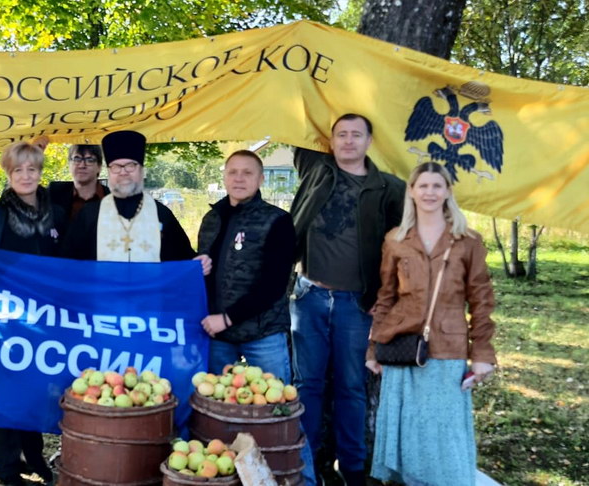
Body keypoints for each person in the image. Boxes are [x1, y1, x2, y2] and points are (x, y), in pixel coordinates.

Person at [289, 113, 405, 485]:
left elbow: (401, 249)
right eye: (342, 134)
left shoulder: (389, 188)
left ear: (370, 141)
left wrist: (385, 298)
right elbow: (294, 113)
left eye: (357, 135)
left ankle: (353, 471)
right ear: (331, 140)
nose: (349, 141)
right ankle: (306, 468)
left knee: (351, 388)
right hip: (308, 297)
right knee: (307, 385)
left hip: (356, 304)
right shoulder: (315, 171)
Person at [365, 162, 496, 485]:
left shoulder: (467, 241)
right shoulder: (396, 240)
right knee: (408, 435)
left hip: (447, 350)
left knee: (443, 434)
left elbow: (481, 301)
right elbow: (386, 297)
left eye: (437, 186)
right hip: (401, 347)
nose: (430, 192)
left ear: (448, 191)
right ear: (411, 191)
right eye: (423, 186)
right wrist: (373, 349)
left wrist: (482, 355)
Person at [0, 141, 64, 486]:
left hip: (45, 322)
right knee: (6, 393)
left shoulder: (56, 214)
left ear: (40, 172)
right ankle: (8, 467)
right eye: (18, 170)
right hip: (6, 322)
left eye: (32, 169)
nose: (26, 176)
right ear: (8, 174)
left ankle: (34, 457)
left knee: (36, 391)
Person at [197, 150, 295, 379]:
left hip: (263, 334)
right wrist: (196, 267)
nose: (239, 179)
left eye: (247, 173)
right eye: (233, 172)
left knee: (274, 397)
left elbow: (274, 284)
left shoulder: (277, 220)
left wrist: (227, 318)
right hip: (218, 336)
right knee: (217, 399)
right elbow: (206, 270)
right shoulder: (211, 219)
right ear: (224, 177)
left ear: (261, 179)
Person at [63, 130, 211, 274]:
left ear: (141, 170)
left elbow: (183, 259)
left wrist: (199, 263)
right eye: (116, 167)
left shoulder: (161, 214)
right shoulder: (89, 214)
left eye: (130, 165)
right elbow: (68, 265)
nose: (123, 172)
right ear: (109, 172)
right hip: (103, 291)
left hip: (150, 291)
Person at [48, 144, 110, 223]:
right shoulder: (54, 192)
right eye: (77, 159)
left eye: (89, 160)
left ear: (99, 166)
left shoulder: (112, 198)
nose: (82, 165)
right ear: (69, 164)